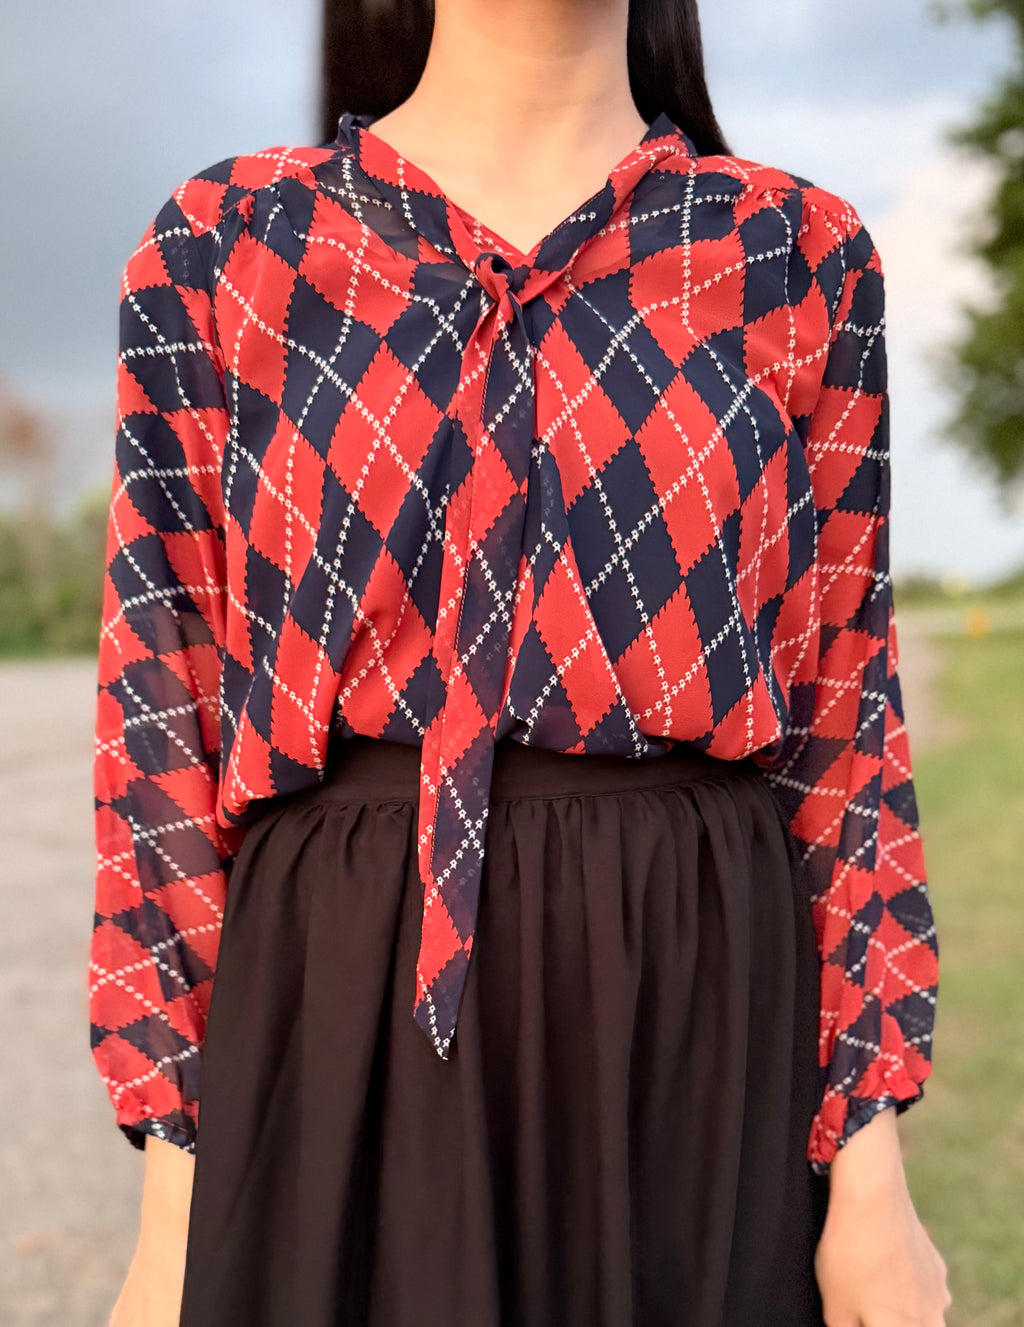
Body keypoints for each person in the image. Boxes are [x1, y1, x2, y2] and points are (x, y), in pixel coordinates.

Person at [89, 1, 952, 1324]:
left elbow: (845, 718)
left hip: (695, 1004)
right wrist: (172, 1166)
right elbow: (160, 712)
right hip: (336, 998)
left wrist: (872, 1164)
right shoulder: (226, 247)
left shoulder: (796, 253)